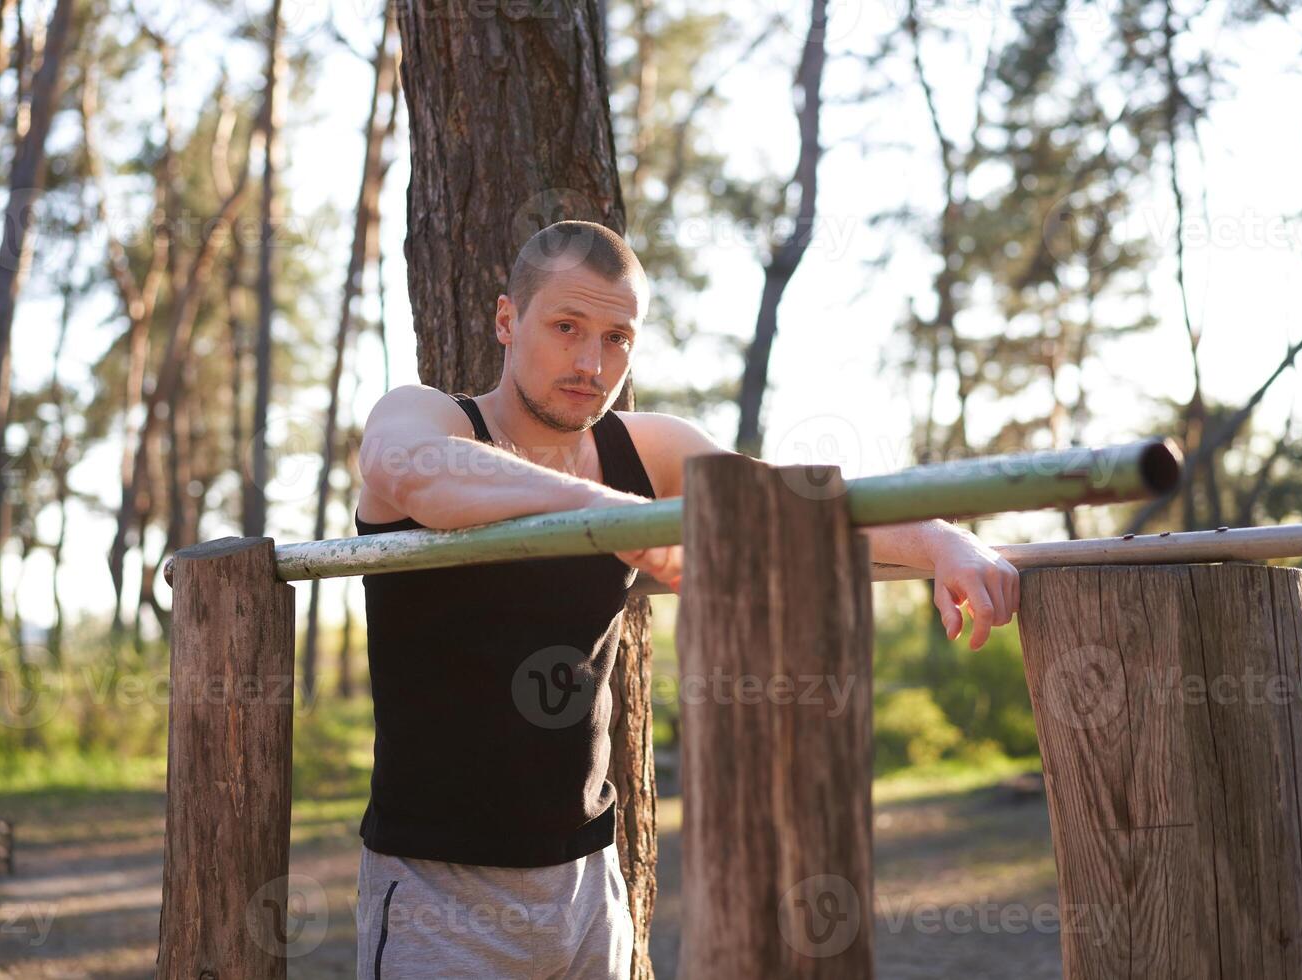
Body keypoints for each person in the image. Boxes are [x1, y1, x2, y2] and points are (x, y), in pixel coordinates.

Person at [352, 220, 1019, 978]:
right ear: (508, 320)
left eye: (617, 339)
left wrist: (939, 540)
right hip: (440, 893)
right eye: (566, 327)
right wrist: (613, 517)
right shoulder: (431, 417)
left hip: (586, 886)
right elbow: (409, 470)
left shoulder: (645, 450)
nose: (590, 363)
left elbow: (785, 502)